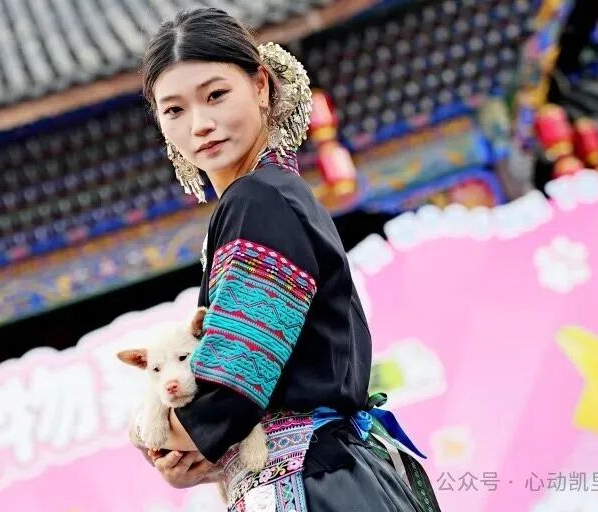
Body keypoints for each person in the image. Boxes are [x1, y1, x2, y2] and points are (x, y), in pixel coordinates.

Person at [137, 7, 441, 512]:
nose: (201, 125)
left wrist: (151, 434)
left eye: (215, 95)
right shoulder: (273, 196)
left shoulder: (258, 201)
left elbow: (233, 382)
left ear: (260, 85)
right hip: (331, 478)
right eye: (174, 111)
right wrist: (202, 452)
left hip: (316, 484)